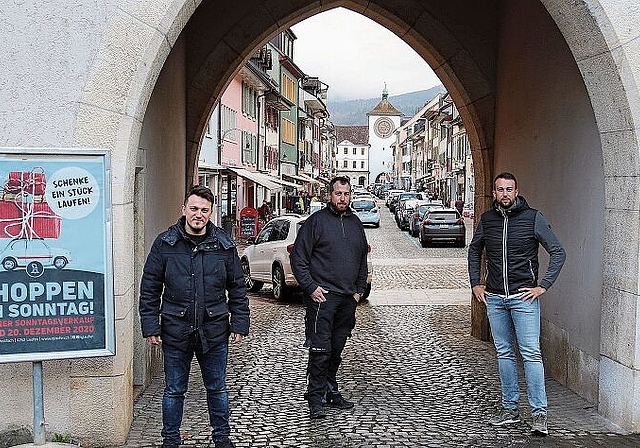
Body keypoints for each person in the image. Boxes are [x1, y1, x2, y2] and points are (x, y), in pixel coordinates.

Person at [139, 185, 250, 448]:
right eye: (193, 209)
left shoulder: (223, 245)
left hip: (214, 329)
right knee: (174, 390)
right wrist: (150, 325)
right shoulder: (165, 243)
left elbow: (237, 286)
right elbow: (150, 287)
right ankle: (170, 441)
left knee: (217, 389)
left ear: (211, 212)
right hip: (176, 329)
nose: (198, 214)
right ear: (183, 209)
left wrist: (240, 323)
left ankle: (222, 439)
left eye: (204, 210)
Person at [468, 172, 565, 437]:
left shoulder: (533, 217)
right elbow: (475, 249)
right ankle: (509, 409)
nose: (505, 194)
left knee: (531, 354)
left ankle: (539, 414)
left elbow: (558, 251)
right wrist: (476, 283)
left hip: (524, 298)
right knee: (504, 354)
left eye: (509, 189)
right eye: (500, 190)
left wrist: (542, 286)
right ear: (495, 193)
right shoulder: (487, 220)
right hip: (496, 298)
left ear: (517, 191)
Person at [290, 176, 369, 419]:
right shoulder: (316, 223)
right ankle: (315, 398)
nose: (342, 198)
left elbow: (362, 260)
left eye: (346, 194)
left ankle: (330, 390)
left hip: (347, 299)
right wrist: (311, 287)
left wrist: (358, 292)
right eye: (338, 193)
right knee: (320, 350)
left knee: (335, 350)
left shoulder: (356, 223)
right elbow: (298, 259)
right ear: (329, 195)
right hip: (322, 298)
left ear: (350, 196)